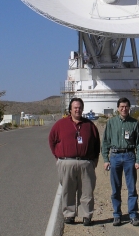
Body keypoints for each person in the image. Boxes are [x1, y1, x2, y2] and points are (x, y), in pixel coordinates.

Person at [49, 97, 100, 227]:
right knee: (68, 190)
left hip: (86, 163)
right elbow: (52, 141)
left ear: (82, 109)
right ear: (70, 110)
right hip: (67, 162)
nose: (77, 109)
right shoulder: (60, 124)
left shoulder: (89, 125)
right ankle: (69, 215)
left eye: (80, 107)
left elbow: (96, 143)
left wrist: (94, 161)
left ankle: (86, 215)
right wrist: (59, 158)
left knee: (87, 191)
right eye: (75, 107)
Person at [102, 97, 139, 226]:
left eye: (126, 106)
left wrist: (138, 159)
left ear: (129, 108)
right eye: (121, 106)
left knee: (131, 188)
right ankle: (117, 215)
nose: (124, 109)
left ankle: (133, 215)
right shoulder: (111, 123)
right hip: (115, 157)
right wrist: (105, 159)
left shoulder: (134, 123)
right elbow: (105, 142)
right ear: (117, 108)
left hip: (129, 156)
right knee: (116, 188)